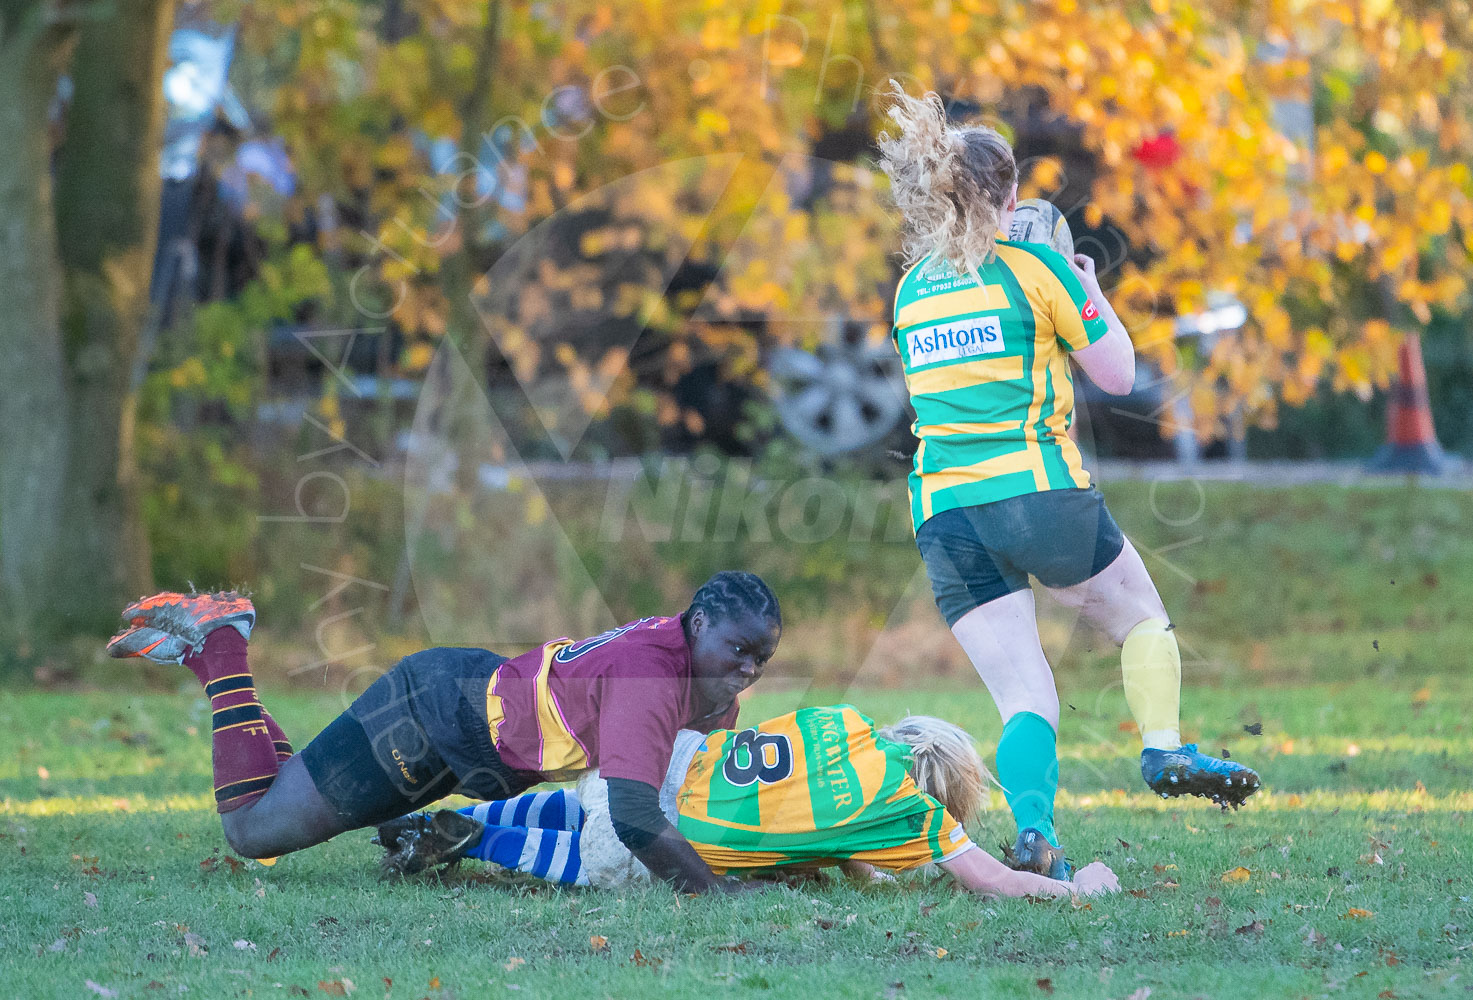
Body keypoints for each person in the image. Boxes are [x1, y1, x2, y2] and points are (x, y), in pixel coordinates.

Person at [874, 86, 1259, 879]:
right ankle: (1163, 752)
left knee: (1025, 694)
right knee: (1142, 617)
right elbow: (1116, 376)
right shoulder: (1037, 267)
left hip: (944, 509)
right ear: (1011, 196)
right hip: (1036, 489)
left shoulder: (914, 288)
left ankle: (1037, 831)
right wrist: (1085, 283)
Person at [105, 571, 782, 893]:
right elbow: (634, 817)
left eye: (761, 659)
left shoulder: (698, 677)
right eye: (738, 650)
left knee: (282, 795)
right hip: (431, 729)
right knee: (252, 832)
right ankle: (220, 648)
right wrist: (715, 894)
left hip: (461, 718)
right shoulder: (652, 676)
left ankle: (209, 647)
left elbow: (707, 784)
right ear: (695, 625)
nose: (748, 669)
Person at [374, 705, 1119, 899]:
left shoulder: (847, 723)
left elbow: (808, 819)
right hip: (681, 834)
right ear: (950, 793)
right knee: (593, 857)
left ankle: (462, 819)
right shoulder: (914, 819)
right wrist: (1078, 886)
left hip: (668, 755)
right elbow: (997, 880)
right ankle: (479, 843)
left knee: (585, 804)